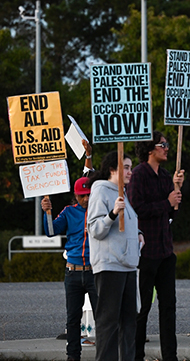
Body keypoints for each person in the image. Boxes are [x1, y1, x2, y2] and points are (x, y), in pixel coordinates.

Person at [128, 131, 185, 361]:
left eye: (167, 144)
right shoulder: (139, 175)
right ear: (150, 149)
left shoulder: (164, 176)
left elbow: (171, 212)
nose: (167, 148)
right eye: (163, 144)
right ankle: (136, 355)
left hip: (165, 252)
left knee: (168, 308)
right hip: (145, 253)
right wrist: (167, 202)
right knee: (141, 310)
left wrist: (177, 191)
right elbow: (136, 209)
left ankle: (170, 356)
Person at [41, 141, 97, 360]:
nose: (86, 199)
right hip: (72, 272)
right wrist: (47, 212)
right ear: (76, 195)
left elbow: (89, 173)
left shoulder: (99, 210)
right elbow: (51, 231)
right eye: (83, 195)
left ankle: (105, 354)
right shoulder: (68, 212)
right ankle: (73, 356)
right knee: (72, 319)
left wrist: (89, 155)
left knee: (102, 317)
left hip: (94, 270)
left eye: (89, 195)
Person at [87, 151, 143, 361]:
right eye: (126, 167)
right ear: (112, 169)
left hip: (128, 265)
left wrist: (138, 234)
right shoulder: (101, 190)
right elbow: (94, 229)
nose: (130, 172)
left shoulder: (123, 193)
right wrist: (111, 214)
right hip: (110, 265)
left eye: (130, 167)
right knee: (109, 322)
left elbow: (127, 223)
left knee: (129, 322)